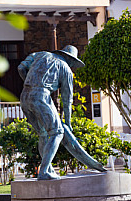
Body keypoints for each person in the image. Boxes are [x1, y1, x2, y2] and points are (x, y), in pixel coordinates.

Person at [18, 45, 85, 180]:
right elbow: (67, 100)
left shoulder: (39, 54)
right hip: (41, 96)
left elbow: (21, 68)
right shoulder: (65, 68)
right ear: (70, 59)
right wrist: (68, 123)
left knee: (43, 133)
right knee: (58, 132)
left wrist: (29, 84)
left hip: (24, 96)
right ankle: (44, 171)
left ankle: (47, 169)